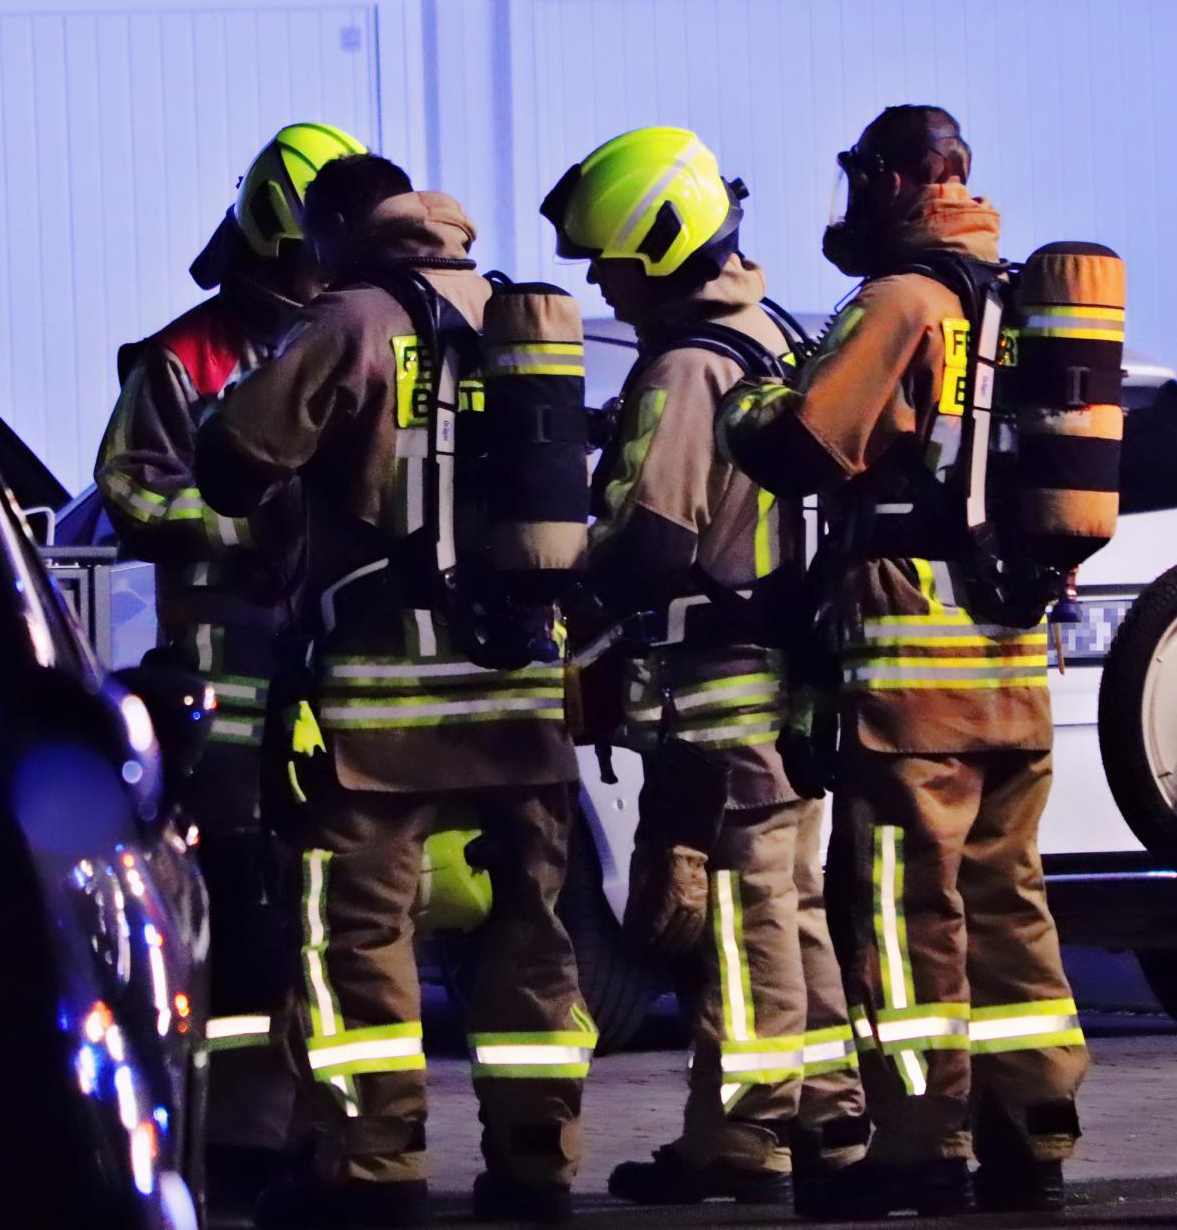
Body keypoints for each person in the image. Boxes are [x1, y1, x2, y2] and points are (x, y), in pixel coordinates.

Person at [194, 154, 592, 1229]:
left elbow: (234, 455)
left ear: (334, 228)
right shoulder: (519, 316)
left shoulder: (350, 319)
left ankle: (374, 1164)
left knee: (357, 934)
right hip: (520, 690)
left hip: (385, 700)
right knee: (533, 929)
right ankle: (536, 1155)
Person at [718, 106, 1088, 1219]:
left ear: (904, 178)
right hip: (1011, 669)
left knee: (899, 911)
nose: (855, 195)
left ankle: (921, 1146)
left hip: (912, 680)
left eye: (865, 175)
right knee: (1010, 904)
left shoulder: (901, 302)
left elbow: (802, 441)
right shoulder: (1016, 302)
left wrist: (751, 401)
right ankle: (1037, 1135)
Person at [537, 127, 868, 1208]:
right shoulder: (771, 333)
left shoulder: (685, 367)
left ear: (660, 246)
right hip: (779, 686)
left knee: (743, 917)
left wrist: (554, 569)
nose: (598, 280)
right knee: (790, 905)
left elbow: (652, 538)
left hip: (718, 694)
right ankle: (831, 1117)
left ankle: (743, 1137)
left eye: (610, 258)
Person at [93, 120, 364, 1190]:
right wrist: (236, 529)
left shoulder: (348, 333)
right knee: (237, 899)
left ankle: (317, 1128)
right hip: (222, 674)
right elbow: (126, 487)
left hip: (328, 669)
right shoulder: (184, 355)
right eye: (303, 256)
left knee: (327, 902)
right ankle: (239, 1141)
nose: (316, 275)